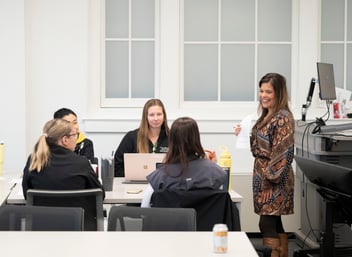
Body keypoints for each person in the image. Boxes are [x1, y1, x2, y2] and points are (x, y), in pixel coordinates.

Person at [235, 73, 294, 257]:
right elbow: (261, 147)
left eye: (269, 91)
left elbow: (282, 153)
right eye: (261, 91)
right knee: (275, 222)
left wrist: (269, 181)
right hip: (263, 174)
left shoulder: (283, 117)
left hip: (274, 177)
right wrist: (244, 134)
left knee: (266, 223)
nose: (264, 95)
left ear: (279, 93)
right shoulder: (267, 115)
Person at [141, 116, 227, 207]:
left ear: (172, 141)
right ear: (196, 139)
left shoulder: (158, 177)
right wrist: (212, 165)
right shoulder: (216, 173)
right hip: (207, 221)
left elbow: (145, 209)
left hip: (169, 221)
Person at [22, 118, 104, 199]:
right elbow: (100, 194)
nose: (77, 139)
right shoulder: (81, 163)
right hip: (76, 212)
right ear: (65, 140)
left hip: (42, 212)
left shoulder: (34, 160)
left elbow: (27, 195)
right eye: (75, 135)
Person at [114, 99, 170, 177]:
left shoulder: (173, 137)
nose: (156, 118)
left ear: (164, 116)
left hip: (165, 184)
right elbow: (117, 165)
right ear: (145, 117)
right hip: (135, 184)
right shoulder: (131, 137)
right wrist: (130, 176)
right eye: (151, 115)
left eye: (159, 114)